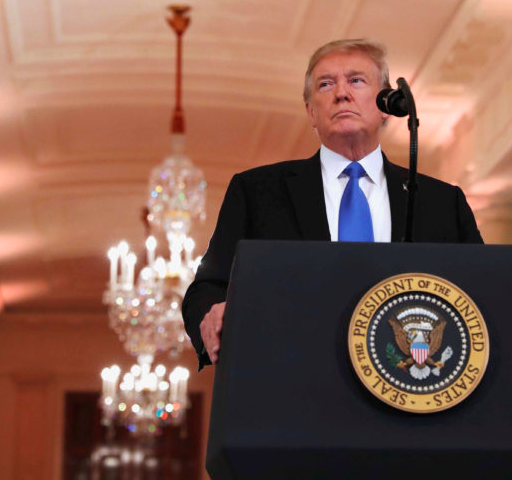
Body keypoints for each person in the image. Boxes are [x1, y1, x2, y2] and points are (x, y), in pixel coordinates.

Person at [181, 39, 483, 367]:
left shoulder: (441, 202)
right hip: (295, 378)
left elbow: (481, 293)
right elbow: (207, 288)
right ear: (311, 112)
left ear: (386, 104)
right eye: (326, 84)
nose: (341, 93)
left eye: (356, 80)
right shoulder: (256, 191)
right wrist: (211, 316)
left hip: (411, 383)